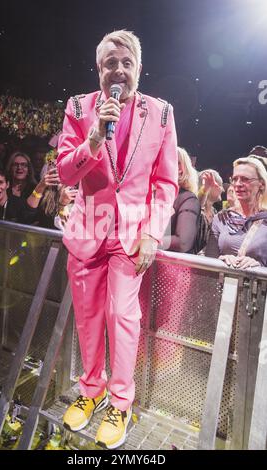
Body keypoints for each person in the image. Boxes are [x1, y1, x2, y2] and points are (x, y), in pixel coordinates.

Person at [56, 30, 178, 449]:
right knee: (88, 318)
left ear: (139, 69)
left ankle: (120, 403)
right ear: (99, 69)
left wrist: (152, 233)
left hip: (130, 236)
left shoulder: (161, 114)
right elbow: (66, 172)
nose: (119, 70)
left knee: (122, 318)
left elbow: (165, 184)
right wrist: (93, 137)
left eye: (127, 63)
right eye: (111, 63)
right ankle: (90, 391)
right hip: (88, 231)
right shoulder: (77, 108)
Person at [205, 156, 267, 268]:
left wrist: (260, 267)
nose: (238, 184)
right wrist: (221, 260)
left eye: (245, 179)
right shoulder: (221, 218)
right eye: (234, 179)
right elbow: (209, 259)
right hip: (223, 284)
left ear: (261, 184)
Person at [161, 147, 200, 253]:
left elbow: (183, 242)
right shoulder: (150, 195)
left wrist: (148, 241)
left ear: (181, 169)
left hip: (170, 266)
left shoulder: (188, 199)